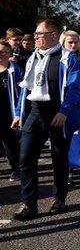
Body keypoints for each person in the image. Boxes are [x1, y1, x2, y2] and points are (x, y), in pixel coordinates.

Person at [12, 19, 80, 221]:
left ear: (53, 35)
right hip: (35, 113)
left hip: (57, 113)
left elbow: (74, 88)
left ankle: (59, 197)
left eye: (39, 34)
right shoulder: (33, 57)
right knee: (25, 158)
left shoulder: (68, 59)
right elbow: (26, 87)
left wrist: (64, 111)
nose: (35, 37)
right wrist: (18, 113)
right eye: (35, 34)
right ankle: (29, 204)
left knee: (59, 158)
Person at [0, 40, 24, 182]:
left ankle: (16, 169)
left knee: (11, 145)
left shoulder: (15, 70)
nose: (1, 55)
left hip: (9, 114)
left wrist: (18, 113)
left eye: (4, 52)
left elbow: (23, 91)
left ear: (10, 54)